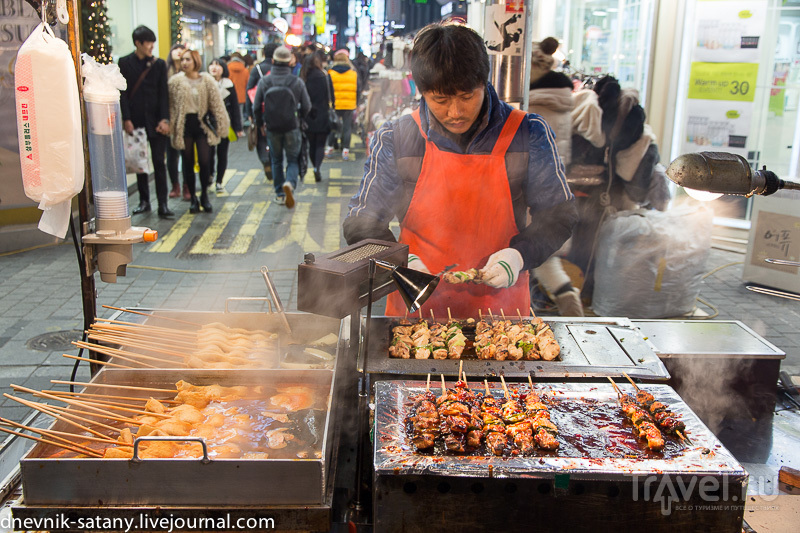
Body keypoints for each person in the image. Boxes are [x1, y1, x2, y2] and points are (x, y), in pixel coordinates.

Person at [343, 22, 577, 317]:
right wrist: (400, 262)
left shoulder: (527, 133)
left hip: (502, 314)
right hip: (416, 306)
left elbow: (560, 215)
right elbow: (360, 222)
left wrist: (518, 256)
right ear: (421, 91)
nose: (455, 112)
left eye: (467, 96)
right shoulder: (397, 138)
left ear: (484, 82)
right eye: (440, 100)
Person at [527, 37, 583, 317]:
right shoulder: (565, 97)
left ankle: (564, 308)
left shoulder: (531, 105)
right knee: (546, 258)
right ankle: (568, 302)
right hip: (559, 182)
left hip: (532, 187)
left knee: (532, 256)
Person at [119, 25, 174, 219]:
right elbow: (123, 94)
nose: (151, 46)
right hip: (136, 121)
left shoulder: (158, 64)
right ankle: (144, 201)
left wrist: (165, 119)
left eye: (153, 42)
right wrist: (126, 119)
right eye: (148, 42)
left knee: (159, 162)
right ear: (138, 43)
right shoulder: (124, 63)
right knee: (139, 163)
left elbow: (164, 95)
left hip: (157, 122)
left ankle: (163, 204)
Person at [168, 49, 230, 214]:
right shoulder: (175, 82)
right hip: (185, 125)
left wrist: (222, 126)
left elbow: (217, 105)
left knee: (204, 161)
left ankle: (204, 195)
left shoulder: (207, 80)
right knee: (187, 163)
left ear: (196, 61)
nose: (185, 63)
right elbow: (172, 107)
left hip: (202, 124)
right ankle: (194, 200)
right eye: (183, 60)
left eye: (188, 59)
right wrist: (171, 127)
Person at [253, 46, 311, 209]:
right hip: (292, 126)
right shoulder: (297, 82)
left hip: (272, 127)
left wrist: (260, 124)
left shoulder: (265, 81)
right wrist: (299, 117)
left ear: (273, 61)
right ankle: (290, 183)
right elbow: (307, 105)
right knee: (292, 159)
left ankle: (279, 193)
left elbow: (256, 106)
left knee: (276, 160)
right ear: (290, 62)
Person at [207, 58, 244, 192]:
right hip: (208, 124)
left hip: (224, 124)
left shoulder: (229, 84)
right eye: (212, 64)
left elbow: (234, 107)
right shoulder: (205, 83)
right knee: (208, 153)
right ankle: (209, 175)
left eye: (217, 65)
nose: (214, 67)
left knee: (222, 153)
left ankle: (219, 181)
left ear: (223, 68)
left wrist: (238, 127)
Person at [246, 43, 280, 181]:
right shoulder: (280, 69)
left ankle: (265, 160)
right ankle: (273, 161)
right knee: (275, 138)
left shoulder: (257, 69)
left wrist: (249, 112)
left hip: (260, 108)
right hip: (277, 109)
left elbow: (249, 90)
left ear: (264, 53)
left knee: (261, 137)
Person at [299, 53, 333, 183]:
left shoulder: (302, 79)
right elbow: (332, 97)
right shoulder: (325, 77)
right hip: (323, 114)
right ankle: (317, 168)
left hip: (307, 116)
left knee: (311, 144)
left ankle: (314, 166)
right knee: (320, 144)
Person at [327, 49, 358, 161]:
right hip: (349, 105)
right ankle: (345, 151)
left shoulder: (330, 73)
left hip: (335, 105)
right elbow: (357, 90)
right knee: (347, 128)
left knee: (333, 127)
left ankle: (329, 148)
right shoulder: (353, 73)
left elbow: (328, 90)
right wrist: (356, 103)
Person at [165, 43, 186, 200]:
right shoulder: (165, 71)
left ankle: (187, 186)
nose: (178, 52)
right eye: (176, 49)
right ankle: (175, 185)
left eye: (182, 50)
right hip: (170, 118)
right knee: (172, 156)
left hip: (186, 119)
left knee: (187, 155)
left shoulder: (190, 72)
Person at [227, 51, 250, 126]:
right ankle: (240, 128)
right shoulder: (245, 70)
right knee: (239, 113)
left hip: (228, 95)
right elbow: (248, 84)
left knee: (229, 112)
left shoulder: (227, 69)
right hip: (241, 95)